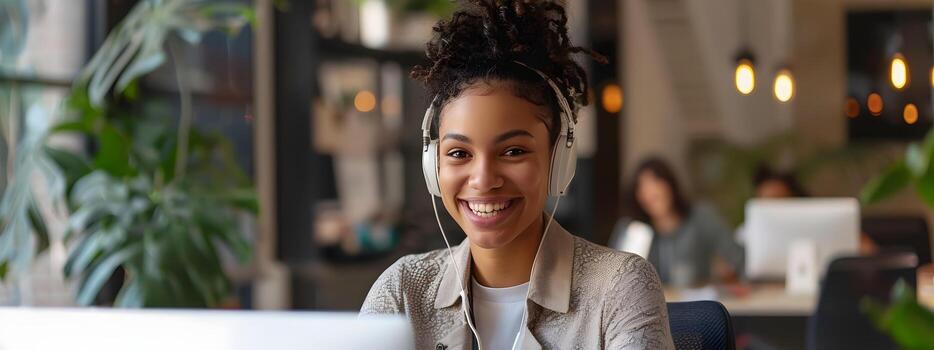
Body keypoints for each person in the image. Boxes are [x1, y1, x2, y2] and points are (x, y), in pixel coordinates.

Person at [360, 2, 674, 349]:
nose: (483, 179)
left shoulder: (617, 287)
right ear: (433, 165)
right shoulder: (403, 290)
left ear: (558, 160)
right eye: (459, 154)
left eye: (513, 152)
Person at [609, 157, 744, 288]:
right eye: (642, 188)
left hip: (693, 305)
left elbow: (736, 256)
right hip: (650, 307)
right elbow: (616, 280)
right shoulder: (633, 230)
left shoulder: (700, 217)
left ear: (670, 185)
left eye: (656, 183)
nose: (649, 192)